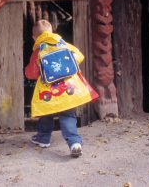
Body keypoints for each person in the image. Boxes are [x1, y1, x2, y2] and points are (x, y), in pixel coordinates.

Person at [24, 19, 98, 157]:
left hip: (48, 93)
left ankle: (43, 139)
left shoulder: (39, 51)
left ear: (34, 37)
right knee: (68, 115)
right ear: (52, 32)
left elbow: (31, 73)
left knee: (46, 114)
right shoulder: (63, 44)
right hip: (68, 90)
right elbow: (79, 56)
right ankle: (74, 143)